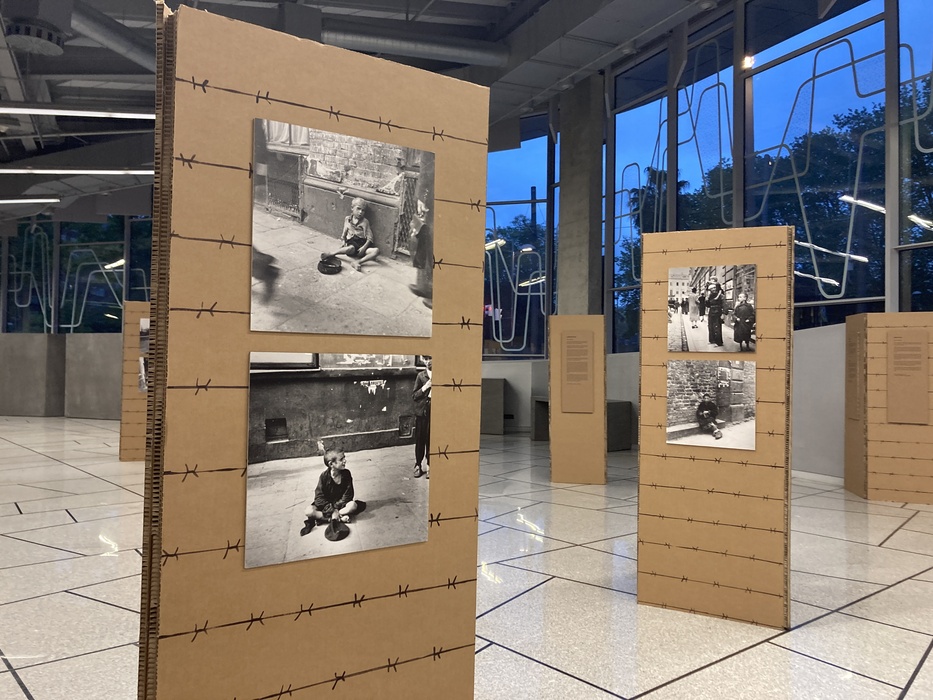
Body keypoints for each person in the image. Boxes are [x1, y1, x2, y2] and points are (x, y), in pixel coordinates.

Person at [299, 446, 366, 536]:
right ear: (331, 464)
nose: (345, 461)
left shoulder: (346, 474)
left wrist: (336, 509)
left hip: (341, 505)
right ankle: (336, 518)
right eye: (341, 459)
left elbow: (348, 495)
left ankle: (330, 518)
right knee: (308, 511)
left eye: (344, 458)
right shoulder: (324, 476)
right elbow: (319, 498)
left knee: (353, 505)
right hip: (326, 507)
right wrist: (332, 510)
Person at [321, 197, 380, 271]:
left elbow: (370, 237)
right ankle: (331, 254)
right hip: (352, 243)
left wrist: (364, 247)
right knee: (350, 248)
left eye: (363, 210)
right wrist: (343, 241)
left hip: (362, 245)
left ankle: (358, 262)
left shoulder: (365, 222)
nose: (360, 212)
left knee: (376, 251)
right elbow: (344, 233)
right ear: (352, 208)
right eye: (358, 209)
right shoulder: (347, 219)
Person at [412, 356, 432, 479]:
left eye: (431, 358)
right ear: (423, 361)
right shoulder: (421, 376)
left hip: (435, 409)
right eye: (426, 359)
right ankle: (418, 464)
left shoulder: (442, 374)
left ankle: (430, 465)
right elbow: (414, 395)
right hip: (422, 411)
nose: (429, 361)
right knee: (420, 438)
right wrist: (426, 386)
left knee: (432, 438)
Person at [706, 279, 724, 347]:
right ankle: (712, 340)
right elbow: (707, 305)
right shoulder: (710, 295)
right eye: (711, 288)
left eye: (714, 288)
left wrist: (723, 313)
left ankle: (718, 342)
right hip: (711, 311)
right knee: (710, 326)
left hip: (718, 311)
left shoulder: (720, 295)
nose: (713, 289)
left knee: (717, 327)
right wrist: (707, 300)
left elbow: (723, 304)